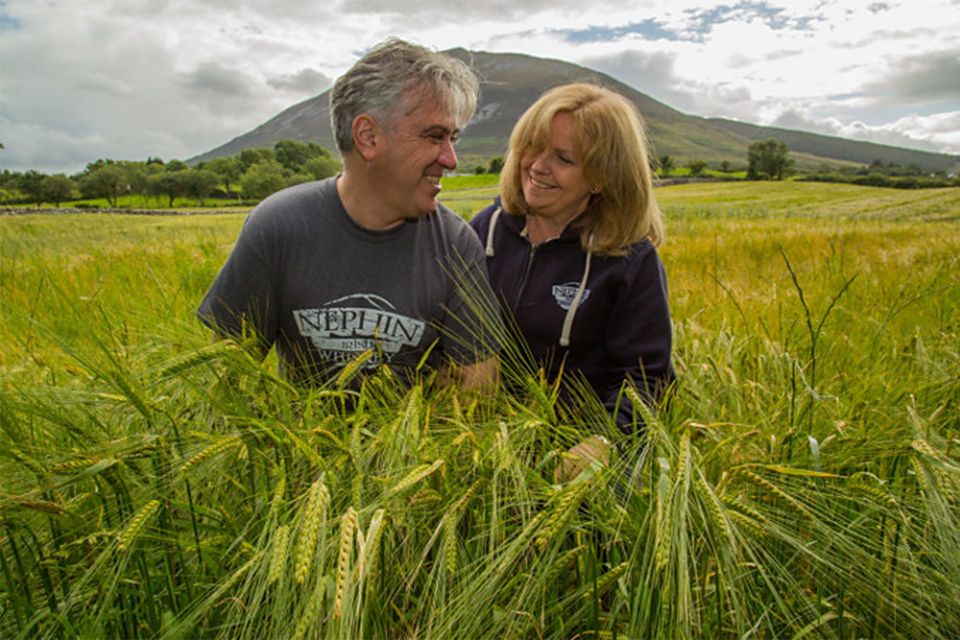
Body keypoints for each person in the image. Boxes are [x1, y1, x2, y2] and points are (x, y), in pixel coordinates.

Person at [198, 38, 498, 389]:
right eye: (434, 136)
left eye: (454, 139)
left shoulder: (456, 244)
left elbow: (479, 388)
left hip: (414, 444)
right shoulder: (278, 226)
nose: (451, 159)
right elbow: (225, 381)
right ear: (368, 137)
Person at [469, 83, 675, 477]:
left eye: (563, 158)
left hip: (575, 466)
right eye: (532, 146)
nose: (537, 165)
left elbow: (649, 379)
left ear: (601, 177)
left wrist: (603, 443)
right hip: (482, 453)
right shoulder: (485, 230)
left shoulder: (630, 260)